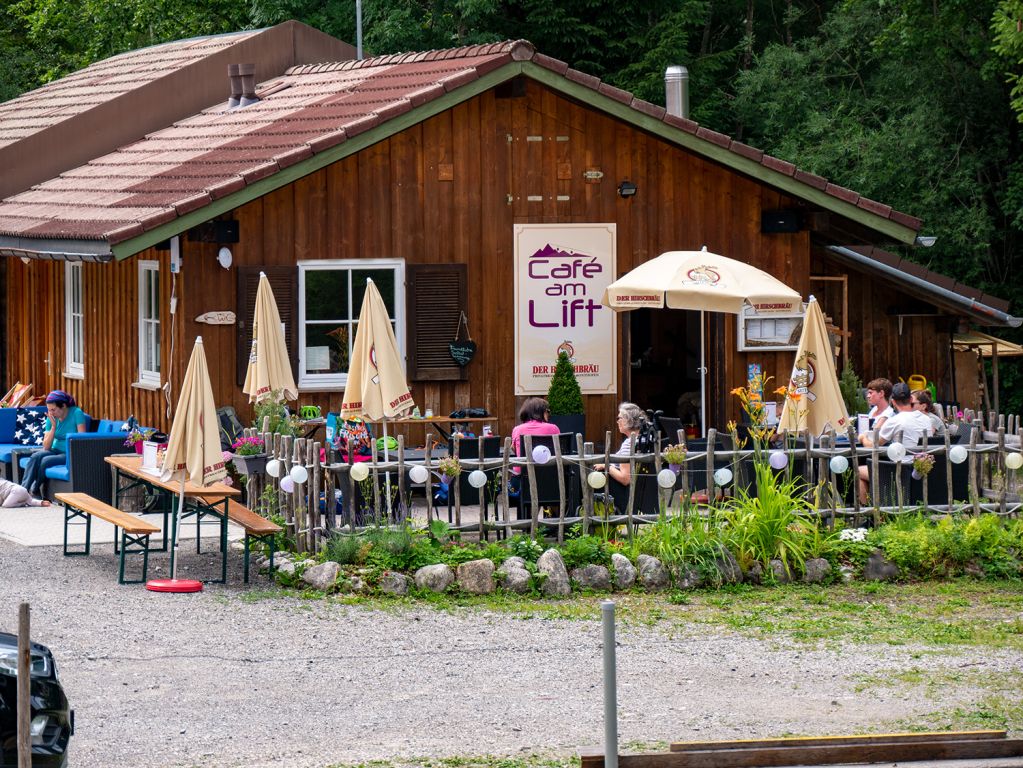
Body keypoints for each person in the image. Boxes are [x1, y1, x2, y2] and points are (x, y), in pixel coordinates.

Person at [858, 382, 933, 503]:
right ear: (910, 399)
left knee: (857, 471)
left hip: (899, 469)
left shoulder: (895, 421)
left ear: (892, 401)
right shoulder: (927, 419)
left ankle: (869, 513)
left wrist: (862, 438)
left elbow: (873, 445)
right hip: (922, 467)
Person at [20, 390, 88, 498]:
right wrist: (53, 427)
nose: (51, 413)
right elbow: (46, 447)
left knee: (46, 460)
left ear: (64, 406)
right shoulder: (51, 417)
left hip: (69, 453)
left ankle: (35, 489)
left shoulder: (76, 413)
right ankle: (22, 491)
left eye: (53, 409)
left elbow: (82, 439)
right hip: (54, 450)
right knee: (35, 457)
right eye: (49, 409)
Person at [594, 402, 651, 487]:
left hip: (619, 492)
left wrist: (606, 466)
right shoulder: (645, 439)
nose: (617, 422)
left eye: (619, 418)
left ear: (629, 420)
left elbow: (625, 479)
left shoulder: (630, 444)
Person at [510, 397, 560, 476]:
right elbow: (559, 448)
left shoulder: (517, 430)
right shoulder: (554, 428)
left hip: (523, 475)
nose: (549, 414)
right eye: (548, 411)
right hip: (550, 474)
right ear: (541, 412)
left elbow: (515, 449)